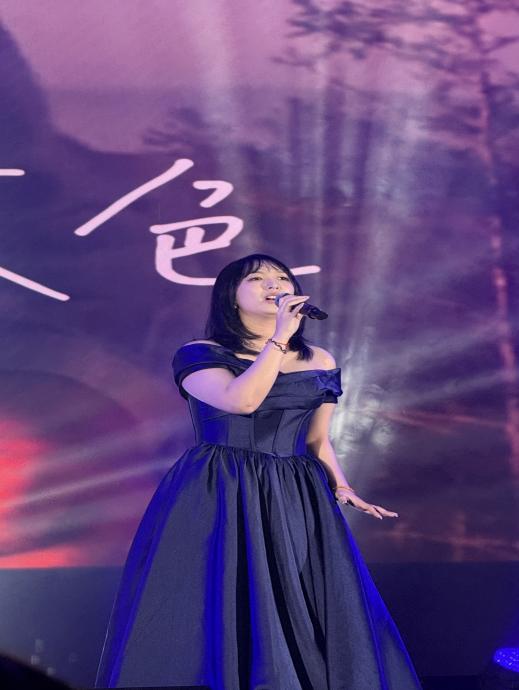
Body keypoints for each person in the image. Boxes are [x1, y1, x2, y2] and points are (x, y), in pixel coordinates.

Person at [95, 253, 422, 690]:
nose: (274, 285)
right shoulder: (199, 354)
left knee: (301, 600)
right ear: (231, 296)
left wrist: (342, 486)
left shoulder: (319, 359)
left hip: (296, 492)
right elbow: (241, 401)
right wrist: (279, 339)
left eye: (281, 277)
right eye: (257, 278)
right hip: (221, 486)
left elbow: (317, 439)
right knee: (221, 599)